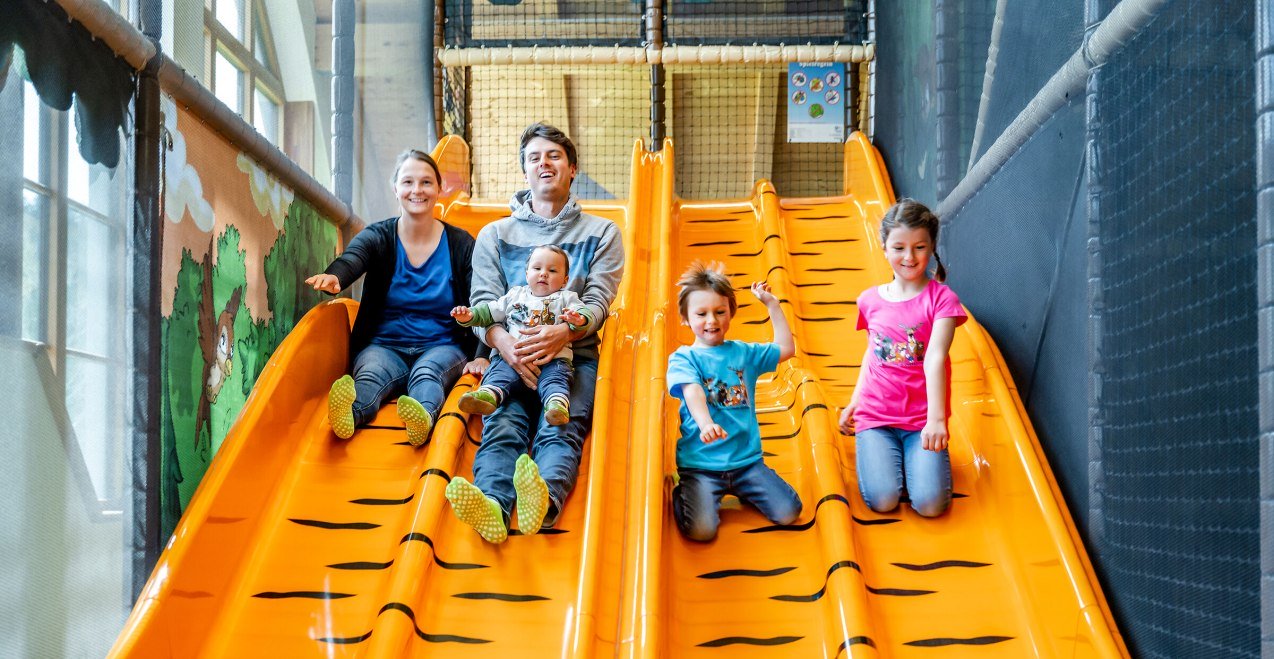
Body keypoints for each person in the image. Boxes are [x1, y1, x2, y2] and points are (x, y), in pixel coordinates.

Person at [444, 122, 624, 544]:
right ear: (524, 171)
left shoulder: (602, 233)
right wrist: (507, 347)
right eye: (534, 158)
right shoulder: (495, 234)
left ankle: (542, 501)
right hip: (510, 354)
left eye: (554, 156)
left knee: (559, 425)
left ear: (573, 168)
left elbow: (598, 301)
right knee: (502, 423)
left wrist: (563, 333)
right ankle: (493, 503)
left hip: (570, 359)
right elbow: (486, 304)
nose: (544, 163)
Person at [306, 150, 487, 446]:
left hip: (443, 344)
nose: (417, 190)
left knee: (428, 374)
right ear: (396, 189)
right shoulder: (379, 235)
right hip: (385, 344)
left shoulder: (460, 243)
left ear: (439, 190)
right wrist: (336, 276)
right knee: (371, 374)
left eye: (426, 183)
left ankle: (423, 418)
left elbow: (481, 300)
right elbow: (355, 256)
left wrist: (481, 354)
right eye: (408, 182)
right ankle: (350, 414)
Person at [836, 198, 966, 517]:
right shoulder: (869, 300)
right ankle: (888, 458)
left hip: (921, 418)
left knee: (930, 505)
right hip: (876, 416)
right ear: (884, 247)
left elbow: (935, 358)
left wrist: (936, 421)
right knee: (883, 501)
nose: (909, 257)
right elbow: (873, 354)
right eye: (899, 248)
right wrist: (855, 400)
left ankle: (915, 464)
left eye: (919, 247)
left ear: (931, 246)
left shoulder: (942, 300)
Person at [665, 262, 803, 542]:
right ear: (685, 318)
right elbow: (693, 391)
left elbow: (787, 349)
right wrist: (706, 424)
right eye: (701, 314)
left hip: (747, 463)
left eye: (719, 312)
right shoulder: (684, 358)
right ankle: (686, 492)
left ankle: (749, 489)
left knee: (790, 512)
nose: (711, 321)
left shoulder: (743, 353)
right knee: (701, 531)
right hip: (701, 465)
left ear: (731, 313)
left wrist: (772, 305)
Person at [450, 244, 591, 425]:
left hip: (553, 360)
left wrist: (578, 319)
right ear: (526, 274)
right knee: (499, 372)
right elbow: (490, 312)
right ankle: (488, 395)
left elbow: (583, 312)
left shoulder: (566, 297)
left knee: (556, 379)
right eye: (537, 268)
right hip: (513, 358)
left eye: (553, 270)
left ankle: (556, 405)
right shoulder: (516, 295)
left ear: (564, 280)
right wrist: (470, 315)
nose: (543, 273)